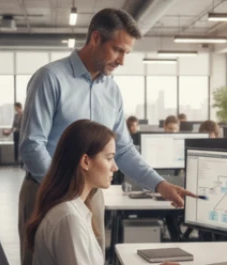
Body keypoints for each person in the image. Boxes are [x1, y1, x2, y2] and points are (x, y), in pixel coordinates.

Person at [18, 8, 195, 265]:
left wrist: (161, 185)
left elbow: (122, 149)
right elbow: (32, 146)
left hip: (90, 195)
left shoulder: (112, 91)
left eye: (127, 53)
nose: (122, 60)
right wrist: (65, 194)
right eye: (118, 50)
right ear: (96, 38)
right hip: (45, 190)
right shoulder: (50, 78)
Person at [26, 120, 178, 265]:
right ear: (85, 161)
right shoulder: (69, 218)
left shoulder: (76, 208)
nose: (115, 168)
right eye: (109, 158)